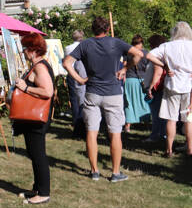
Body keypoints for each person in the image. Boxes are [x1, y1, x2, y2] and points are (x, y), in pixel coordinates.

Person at [63, 16, 164, 182]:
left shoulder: (85, 44)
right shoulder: (115, 42)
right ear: (107, 29)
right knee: (115, 133)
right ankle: (115, 173)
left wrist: (80, 79)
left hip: (92, 93)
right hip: (113, 94)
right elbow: (139, 54)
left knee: (91, 132)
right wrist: (125, 68)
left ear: (92, 29)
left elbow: (67, 62)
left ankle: (94, 171)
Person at [147, 22, 192, 157]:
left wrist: (165, 66)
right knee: (190, 119)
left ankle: (169, 150)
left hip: (172, 85)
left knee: (171, 119)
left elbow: (149, 56)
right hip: (190, 86)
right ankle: (190, 150)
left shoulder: (167, 46)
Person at [13, 33, 55, 205]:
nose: (23, 52)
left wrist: (25, 88)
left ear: (33, 50)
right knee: (33, 152)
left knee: (38, 154)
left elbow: (47, 91)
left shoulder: (39, 67)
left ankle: (43, 193)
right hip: (33, 118)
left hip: (36, 118)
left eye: (25, 49)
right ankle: (37, 188)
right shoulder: (37, 65)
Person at [123, 34, 151, 132]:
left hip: (130, 80)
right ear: (141, 43)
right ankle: (147, 124)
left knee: (129, 102)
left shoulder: (128, 53)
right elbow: (149, 68)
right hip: (143, 81)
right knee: (144, 102)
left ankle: (128, 125)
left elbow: (124, 66)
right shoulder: (146, 53)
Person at [143, 34, 167, 143]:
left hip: (156, 89)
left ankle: (155, 135)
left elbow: (158, 72)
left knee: (156, 114)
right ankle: (162, 134)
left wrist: (150, 88)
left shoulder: (156, 57)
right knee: (162, 114)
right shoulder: (164, 56)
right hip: (162, 88)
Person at [65, 30, 87, 138]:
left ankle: (76, 120)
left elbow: (65, 60)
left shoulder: (68, 48)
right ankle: (80, 124)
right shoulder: (85, 47)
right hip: (82, 74)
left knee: (74, 100)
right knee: (82, 101)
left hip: (71, 73)